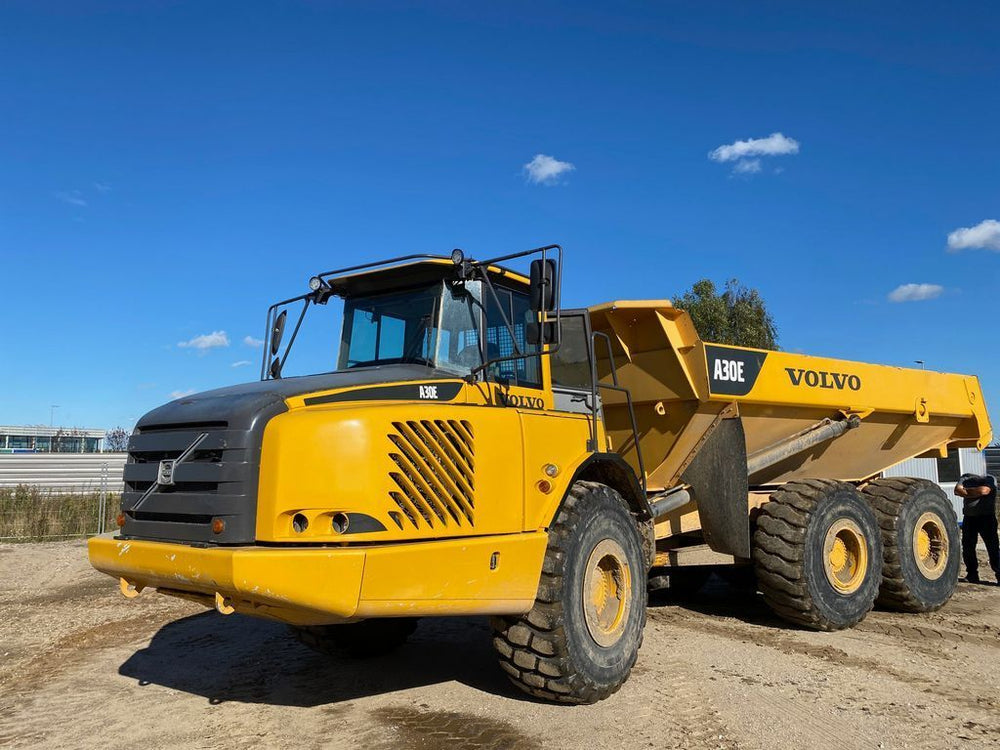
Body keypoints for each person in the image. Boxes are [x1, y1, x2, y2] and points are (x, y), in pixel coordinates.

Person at [954, 473, 1000, 584]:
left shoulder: (989, 478)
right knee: (968, 548)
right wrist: (974, 492)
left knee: (993, 548)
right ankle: (972, 575)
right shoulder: (965, 477)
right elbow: (957, 491)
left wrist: (966, 492)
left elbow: (984, 491)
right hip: (969, 518)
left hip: (986, 518)